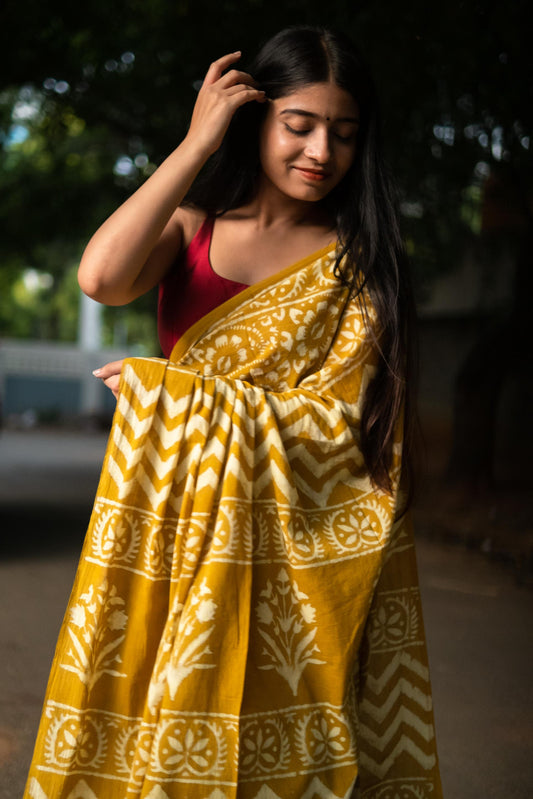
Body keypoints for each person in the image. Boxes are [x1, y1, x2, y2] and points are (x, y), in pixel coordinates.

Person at [25, 26, 442, 799]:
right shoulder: (190, 227)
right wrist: (193, 146)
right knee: (161, 705)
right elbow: (100, 276)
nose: (321, 150)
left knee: (288, 728)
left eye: (343, 134)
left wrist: (180, 395)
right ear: (254, 123)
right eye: (299, 125)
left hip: (306, 537)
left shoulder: (359, 262)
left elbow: (348, 429)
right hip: (173, 518)